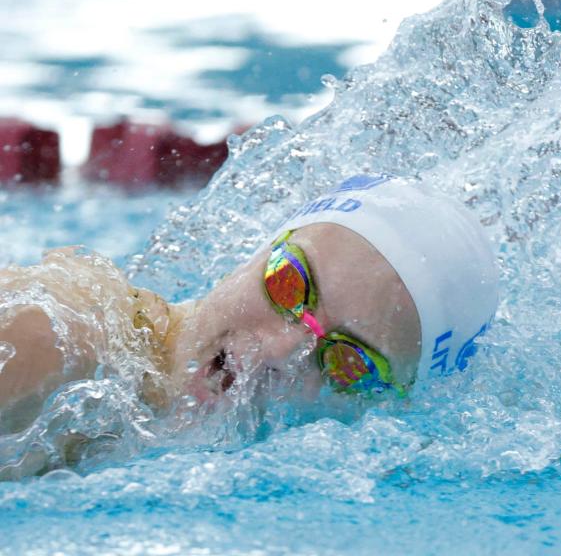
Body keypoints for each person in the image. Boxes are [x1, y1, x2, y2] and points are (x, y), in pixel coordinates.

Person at [0, 174, 499, 438]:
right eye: (287, 285)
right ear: (260, 250)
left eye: (347, 361)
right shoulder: (56, 339)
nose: (282, 350)